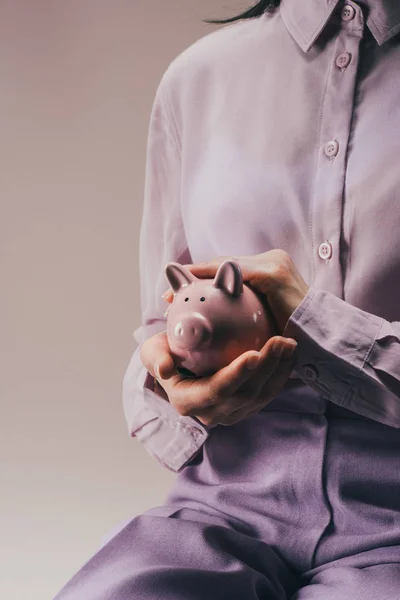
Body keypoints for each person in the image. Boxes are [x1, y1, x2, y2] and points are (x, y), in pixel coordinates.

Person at [53, 1, 400, 598]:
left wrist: (315, 322)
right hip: (220, 511)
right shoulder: (198, 78)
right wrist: (170, 381)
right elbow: (158, 325)